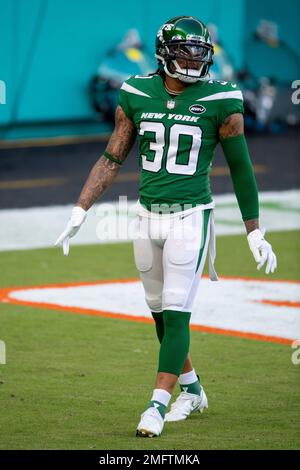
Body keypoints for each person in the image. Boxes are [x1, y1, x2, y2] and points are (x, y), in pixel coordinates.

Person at [55, 16, 277, 438]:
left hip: (191, 215)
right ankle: (192, 389)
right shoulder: (136, 91)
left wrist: (254, 229)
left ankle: (155, 406)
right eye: (185, 52)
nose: (194, 61)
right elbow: (112, 156)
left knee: (176, 313)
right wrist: (80, 210)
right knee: (158, 313)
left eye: (200, 53)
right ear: (164, 54)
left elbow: (242, 168)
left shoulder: (222, 96)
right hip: (146, 215)